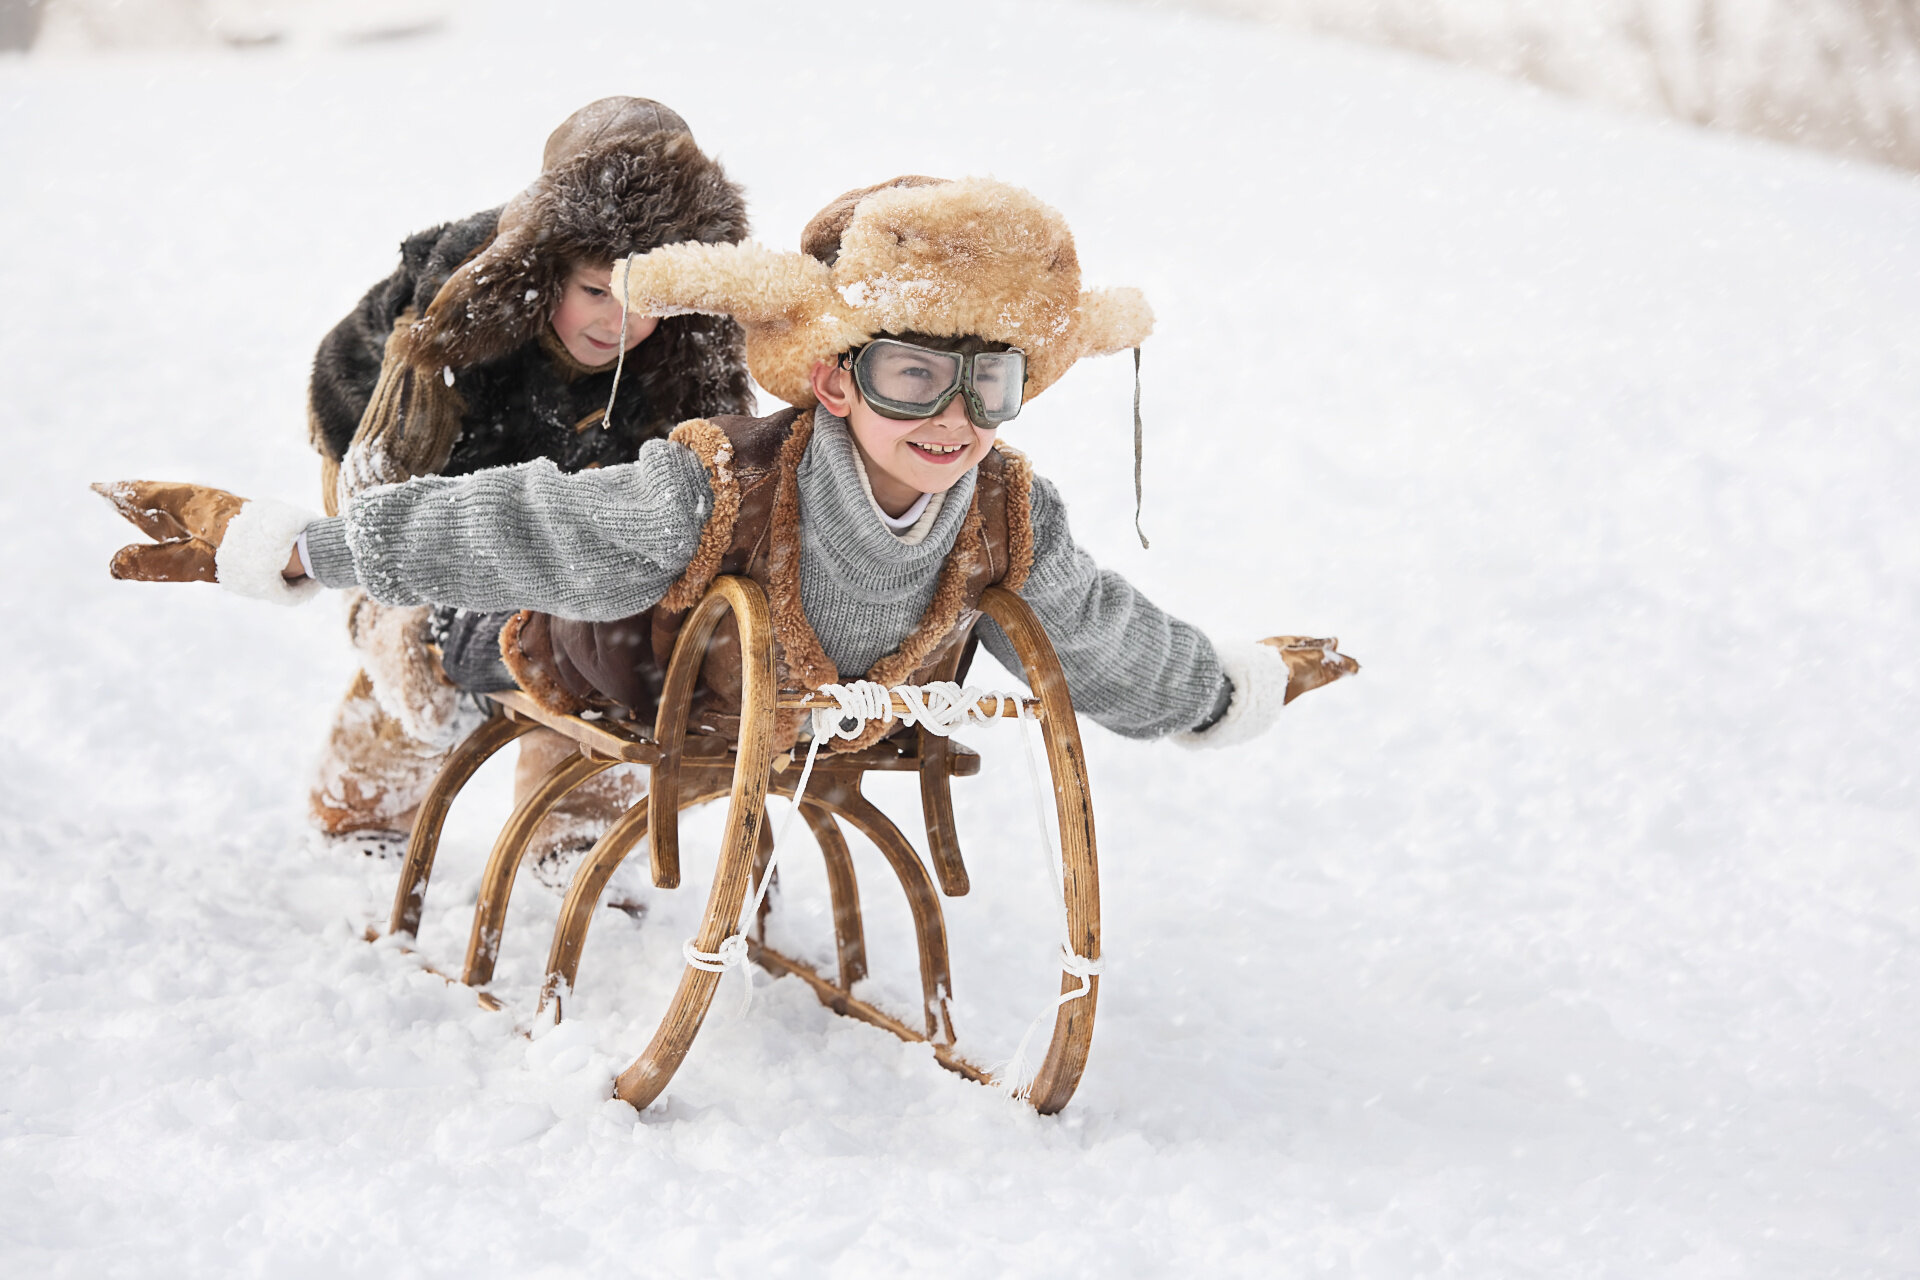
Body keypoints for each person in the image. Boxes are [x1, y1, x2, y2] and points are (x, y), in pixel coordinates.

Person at [100, 177, 1356, 811]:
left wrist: (1231, 686)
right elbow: (527, 527)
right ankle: (391, 694)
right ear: (834, 377)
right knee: (450, 651)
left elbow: (1099, 631)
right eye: (914, 375)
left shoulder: (1007, 514)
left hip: (789, 714)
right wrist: (300, 546)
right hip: (600, 654)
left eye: (991, 384)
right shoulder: (716, 483)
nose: (955, 420)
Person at [297, 96, 753, 874]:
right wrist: (433, 558)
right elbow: (376, 487)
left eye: (648, 299)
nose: (620, 323)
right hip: (425, 507)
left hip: (577, 542)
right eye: (596, 291)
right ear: (549, 270)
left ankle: (575, 828)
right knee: (420, 633)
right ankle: (360, 808)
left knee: (616, 637)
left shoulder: (684, 351)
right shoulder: (454, 314)